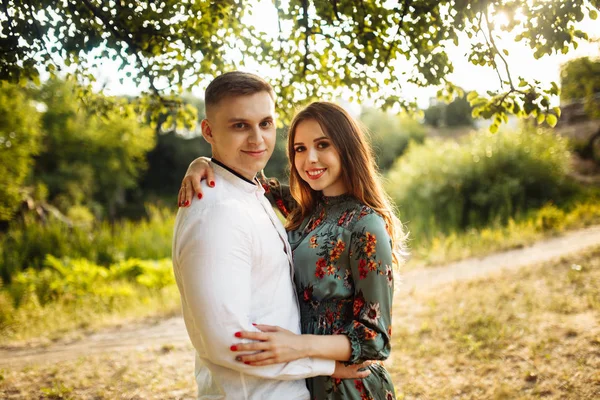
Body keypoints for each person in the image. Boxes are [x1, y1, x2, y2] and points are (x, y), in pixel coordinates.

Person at [179, 101, 405, 399]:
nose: (310, 159)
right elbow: (242, 173)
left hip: (348, 384)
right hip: (301, 376)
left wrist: (299, 346)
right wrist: (201, 162)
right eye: (299, 149)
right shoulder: (306, 209)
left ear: (347, 148)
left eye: (322, 145)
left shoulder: (366, 225)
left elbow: (375, 339)